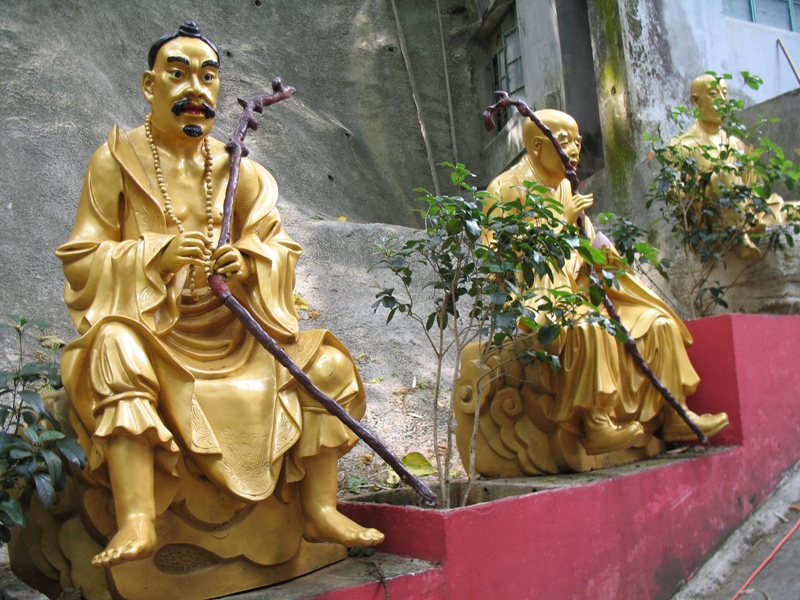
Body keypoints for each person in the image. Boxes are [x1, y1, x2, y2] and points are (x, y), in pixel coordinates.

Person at [56, 21, 383, 569]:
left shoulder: (240, 168)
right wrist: (152, 256)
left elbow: (278, 245)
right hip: (155, 332)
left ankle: (320, 506)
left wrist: (250, 260)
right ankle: (138, 518)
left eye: (209, 77)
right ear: (148, 84)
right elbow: (82, 257)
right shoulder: (115, 160)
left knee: (327, 363)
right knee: (113, 350)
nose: (196, 90)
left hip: (237, 329)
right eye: (178, 74)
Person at [484, 109, 728, 456]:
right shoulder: (507, 189)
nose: (575, 150)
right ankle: (596, 424)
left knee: (657, 324)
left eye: (578, 142)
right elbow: (506, 267)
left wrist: (604, 256)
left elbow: (585, 243)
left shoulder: (565, 185)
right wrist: (561, 225)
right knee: (590, 326)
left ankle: (675, 413)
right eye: (565, 141)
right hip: (540, 295)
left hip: (581, 286)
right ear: (537, 146)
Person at [669, 74, 784, 260]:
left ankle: (749, 223)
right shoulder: (682, 145)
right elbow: (676, 195)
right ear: (696, 101)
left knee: (791, 209)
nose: (723, 101)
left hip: (747, 210)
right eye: (714, 94)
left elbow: (754, 187)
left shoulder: (735, 144)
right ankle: (737, 235)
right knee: (725, 173)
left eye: (725, 94)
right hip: (711, 219)